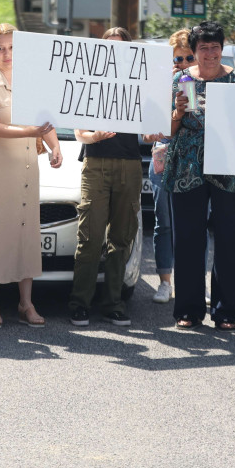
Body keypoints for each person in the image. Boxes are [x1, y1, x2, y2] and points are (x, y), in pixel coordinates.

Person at [0, 23, 62, 328]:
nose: (7, 53)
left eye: (12, 47)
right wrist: (34, 132)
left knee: (25, 232)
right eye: (0, 48)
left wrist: (55, 147)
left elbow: (46, 121)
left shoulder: (32, 82)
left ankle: (25, 304)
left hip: (26, 169)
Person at [68, 27, 164, 327]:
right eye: (108, 47)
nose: (114, 53)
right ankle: (80, 303)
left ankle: (113, 302)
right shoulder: (90, 84)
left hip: (129, 166)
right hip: (95, 164)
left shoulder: (141, 85)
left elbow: (148, 131)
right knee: (90, 237)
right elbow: (77, 131)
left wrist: (155, 133)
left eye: (120, 48)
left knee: (121, 237)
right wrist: (91, 137)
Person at [166, 20, 235, 330]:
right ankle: (189, 310)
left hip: (231, 167)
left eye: (215, 48)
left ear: (222, 50)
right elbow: (168, 130)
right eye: (203, 48)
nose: (210, 53)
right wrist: (178, 113)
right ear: (194, 51)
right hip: (187, 166)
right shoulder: (180, 80)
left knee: (231, 237)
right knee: (188, 239)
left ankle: (225, 312)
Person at [148, 29, 193, 305]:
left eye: (189, 56)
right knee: (163, 223)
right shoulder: (159, 85)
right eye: (179, 58)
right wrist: (152, 132)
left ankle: (195, 282)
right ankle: (165, 282)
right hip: (163, 160)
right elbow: (147, 129)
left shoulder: (201, 84)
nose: (184, 62)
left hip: (193, 164)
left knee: (193, 226)